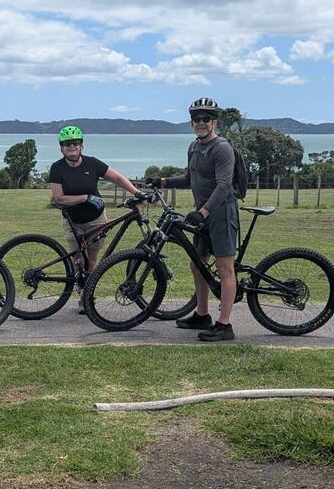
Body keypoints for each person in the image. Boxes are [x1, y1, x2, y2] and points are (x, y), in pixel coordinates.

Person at [153, 97, 239, 342]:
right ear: (191, 123)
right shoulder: (194, 147)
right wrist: (162, 182)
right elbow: (190, 178)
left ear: (214, 122)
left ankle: (225, 325)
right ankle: (202, 314)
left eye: (205, 119)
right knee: (197, 264)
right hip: (203, 213)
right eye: (196, 119)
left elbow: (223, 186)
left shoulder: (222, 148)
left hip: (220, 213)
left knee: (225, 268)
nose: (200, 123)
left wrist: (203, 212)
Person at [47, 125, 144, 311]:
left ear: (81, 146)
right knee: (78, 260)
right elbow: (59, 198)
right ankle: (80, 291)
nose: (72, 147)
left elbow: (117, 178)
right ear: (61, 147)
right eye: (67, 144)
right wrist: (85, 197)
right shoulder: (57, 168)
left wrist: (136, 192)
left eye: (75, 143)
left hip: (96, 219)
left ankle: (87, 297)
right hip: (72, 220)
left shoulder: (92, 164)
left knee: (92, 259)